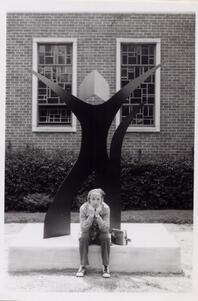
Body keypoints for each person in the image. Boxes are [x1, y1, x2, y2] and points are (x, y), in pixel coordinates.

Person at [76, 188, 111, 278]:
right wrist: (91, 216)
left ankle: (105, 266)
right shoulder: (83, 208)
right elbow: (83, 229)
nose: (95, 202)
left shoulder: (106, 208)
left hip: (100, 234)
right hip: (88, 233)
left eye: (98, 199)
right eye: (93, 199)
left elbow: (106, 229)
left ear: (102, 200)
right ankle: (83, 266)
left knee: (106, 237)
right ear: (89, 200)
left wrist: (98, 216)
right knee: (83, 237)